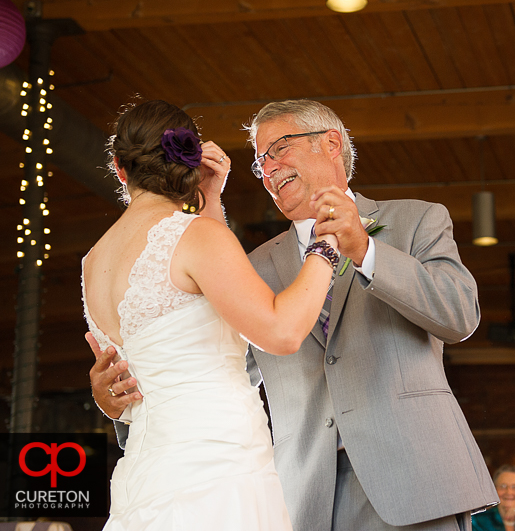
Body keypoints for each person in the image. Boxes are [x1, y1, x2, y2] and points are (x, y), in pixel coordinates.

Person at [88, 99, 498, 531]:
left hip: (416, 482)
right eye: (259, 161)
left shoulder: (416, 220)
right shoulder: (254, 264)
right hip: (305, 499)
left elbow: (460, 315)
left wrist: (364, 249)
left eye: (279, 148)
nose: (268, 168)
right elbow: (219, 365)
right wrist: (118, 402)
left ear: (331, 143)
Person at [82, 100, 343, 529]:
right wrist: (327, 243)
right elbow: (281, 332)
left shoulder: (93, 262)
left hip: (148, 472)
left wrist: (211, 200)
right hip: (218, 462)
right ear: (189, 158)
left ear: (119, 168)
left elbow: (197, 301)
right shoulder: (195, 237)